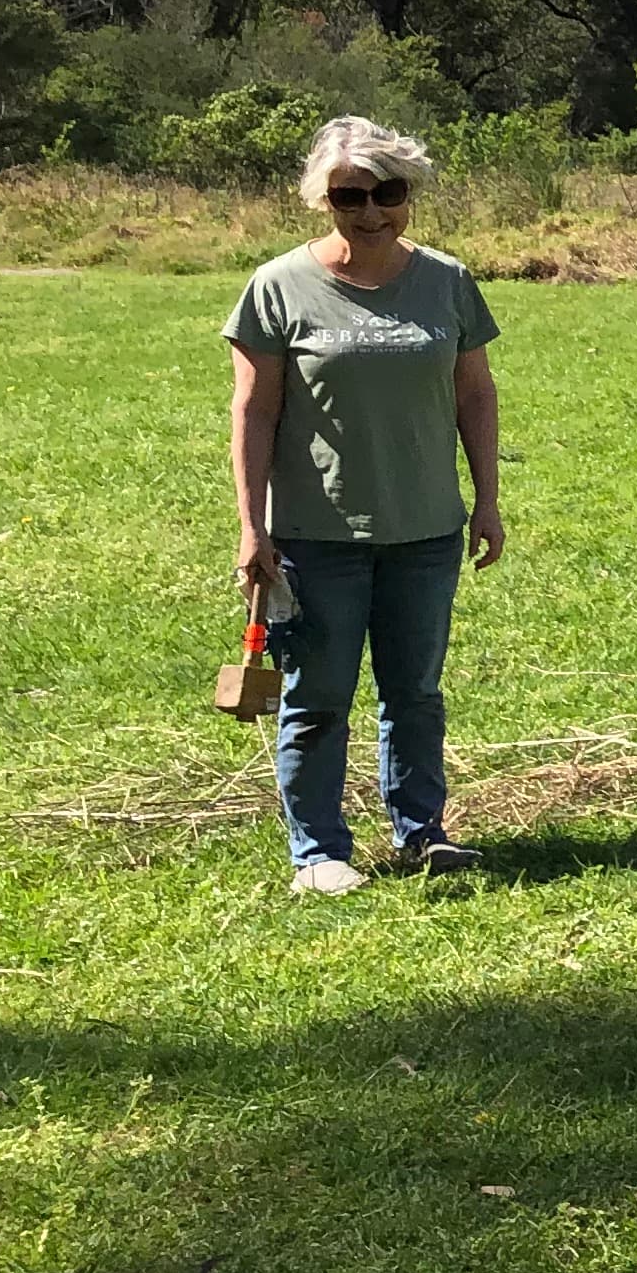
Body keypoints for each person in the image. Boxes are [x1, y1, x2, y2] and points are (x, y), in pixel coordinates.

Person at [226, 118, 505, 895]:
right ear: (324, 198)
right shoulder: (278, 287)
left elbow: (474, 392)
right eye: (352, 195)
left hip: (425, 528)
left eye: (389, 193)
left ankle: (423, 833)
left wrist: (486, 501)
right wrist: (254, 527)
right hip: (316, 537)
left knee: (414, 693)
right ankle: (318, 853)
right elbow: (253, 413)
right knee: (317, 699)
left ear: (408, 195)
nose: (372, 211)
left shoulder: (447, 280)